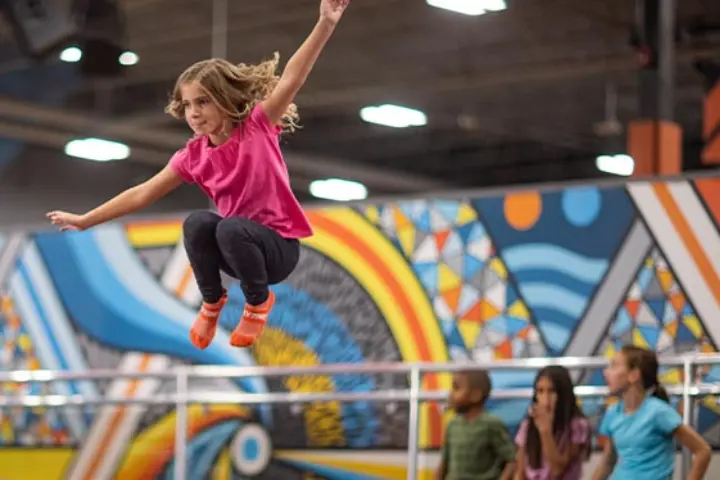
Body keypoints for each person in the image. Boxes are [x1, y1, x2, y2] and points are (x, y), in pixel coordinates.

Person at [46, 0, 350, 349]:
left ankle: (257, 302)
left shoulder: (257, 128)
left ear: (224, 99)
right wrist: (87, 220)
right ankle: (211, 301)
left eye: (203, 102)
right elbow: (142, 193)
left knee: (231, 226)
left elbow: (294, 78)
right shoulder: (193, 156)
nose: (193, 113)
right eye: (188, 105)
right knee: (198, 223)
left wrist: (325, 23)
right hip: (237, 252)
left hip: (277, 251)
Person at [592, 345, 711, 480]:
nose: (606, 372)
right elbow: (607, 461)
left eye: (614, 366)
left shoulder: (658, 411)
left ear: (634, 375)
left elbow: (703, 451)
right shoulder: (613, 412)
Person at [436, 369, 516, 480]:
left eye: (457, 388)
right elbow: (444, 462)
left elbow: (511, 460)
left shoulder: (492, 424)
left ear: (475, 395)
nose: (451, 394)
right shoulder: (452, 425)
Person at [514, 365, 591, 480]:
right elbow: (520, 473)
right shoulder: (527, 425)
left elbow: (557, 470)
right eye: (540, 391)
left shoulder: (577, 425)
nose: (545, 400)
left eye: (552, 391)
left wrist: (545, 431)